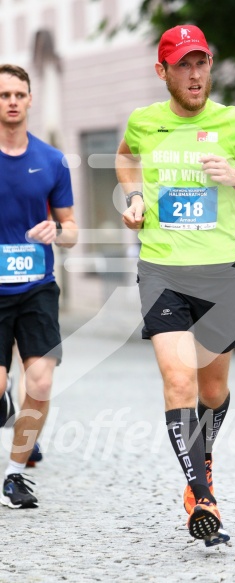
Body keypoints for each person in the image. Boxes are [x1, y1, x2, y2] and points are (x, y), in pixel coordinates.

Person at [116, 24, 235, 546]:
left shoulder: (234, 124)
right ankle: (201, 493)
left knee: (212, 390)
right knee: (180, 383)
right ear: (162, 71)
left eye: (202, 63)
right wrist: (135, 198)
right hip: (162, 269)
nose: (195, 74)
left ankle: (201, 453)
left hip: (219, 273)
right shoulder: (144, 123)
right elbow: (125, 157)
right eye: (183, 64)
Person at [0, 64, 78, 508]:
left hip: (37, 286)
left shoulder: (51, 160)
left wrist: (56, 231)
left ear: (30, 100)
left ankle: (15, 476)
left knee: (42, 380)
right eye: (3, 94)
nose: (12, 101)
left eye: (19, 94)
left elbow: (72, 230)